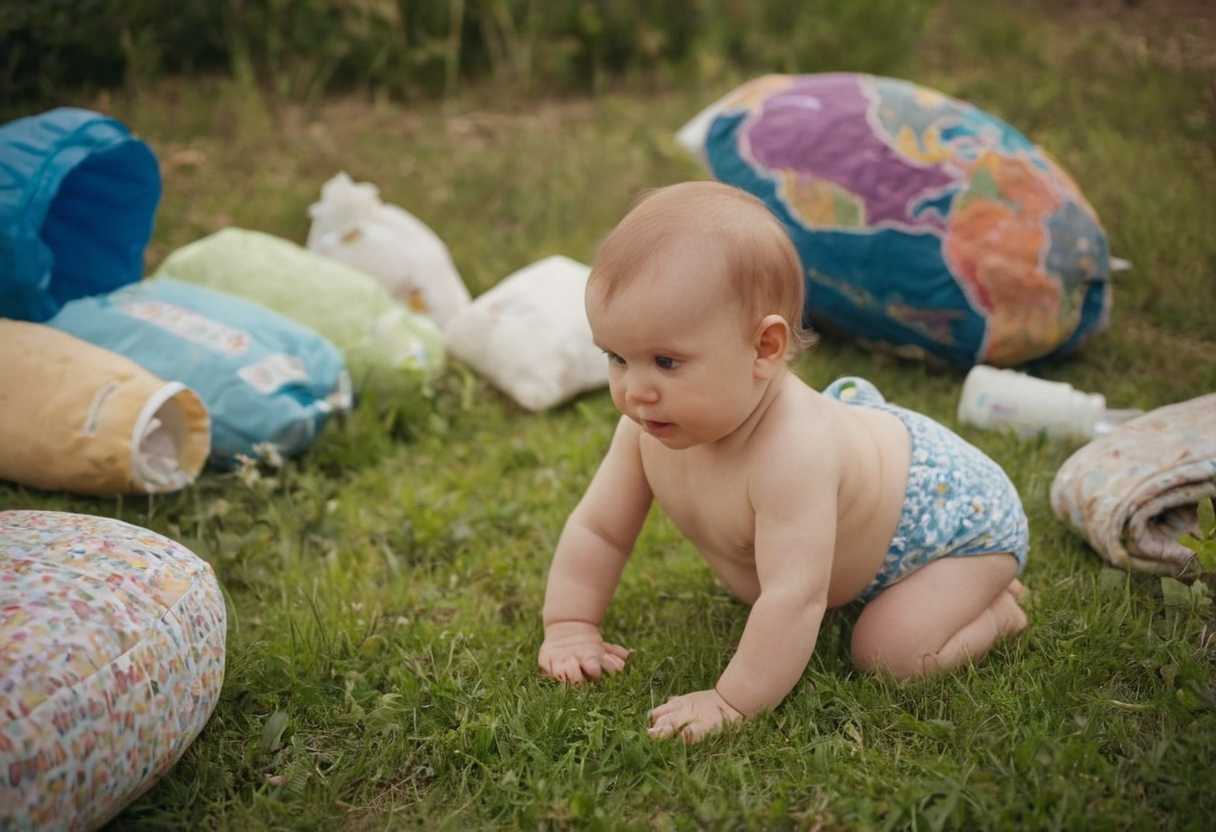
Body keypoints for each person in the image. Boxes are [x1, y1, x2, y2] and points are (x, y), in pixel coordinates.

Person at [538, 181, 1030, 742]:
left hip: (950, 524)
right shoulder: (644, 430)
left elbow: (795, 598)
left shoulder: (793, 452)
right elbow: (600, 530)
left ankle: (997, 609)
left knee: (891, 653)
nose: (635, 390)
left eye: (666, 362)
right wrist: (571, 626)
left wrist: (731, 701)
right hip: (874, 486)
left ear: (764, 349)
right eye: (618, 358)